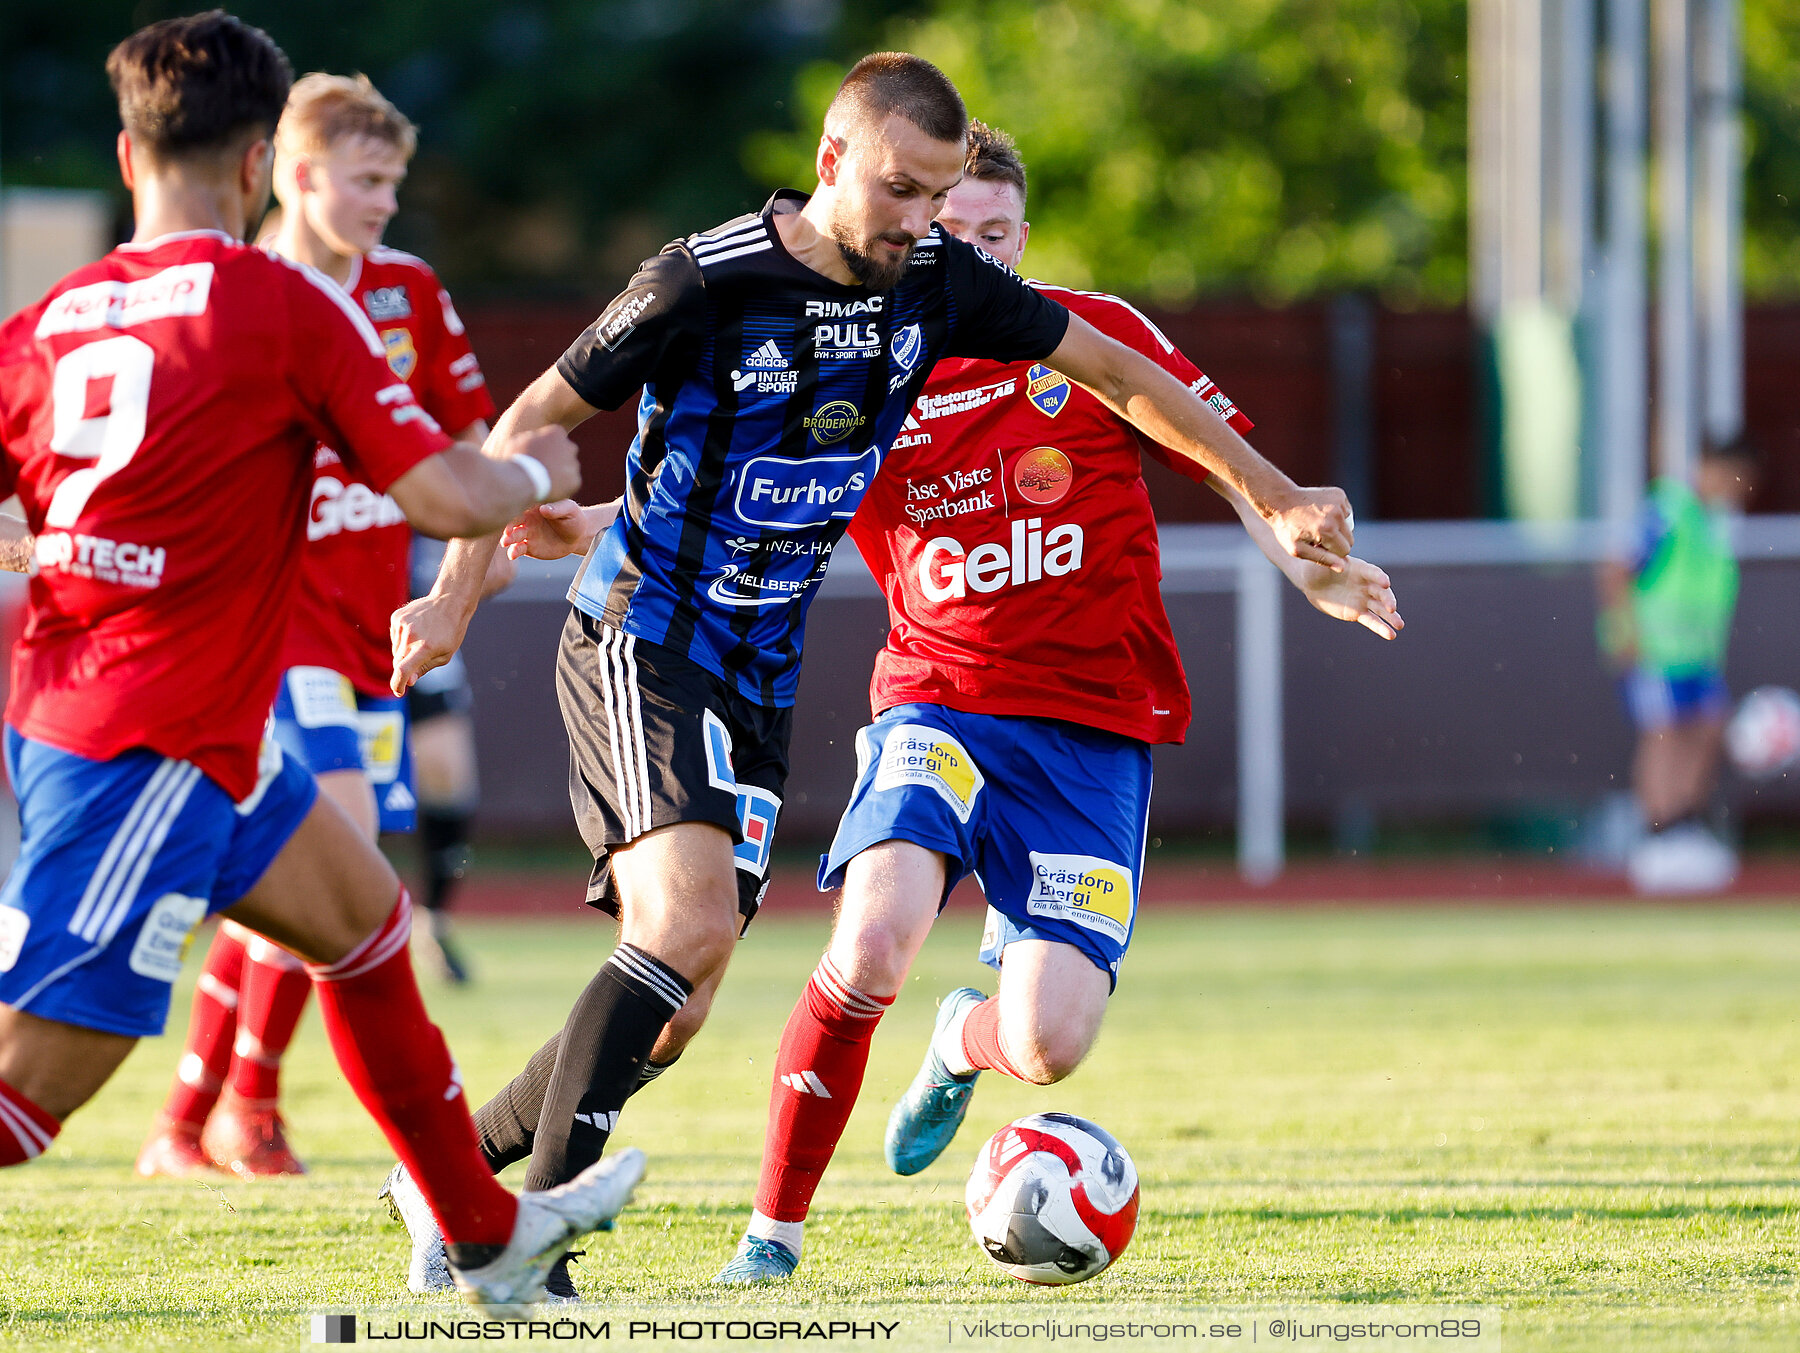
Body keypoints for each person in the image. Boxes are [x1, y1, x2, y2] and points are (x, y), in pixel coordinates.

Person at [382, 52, 1354, 1300]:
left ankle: (447, 1174)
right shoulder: (704, 277)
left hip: (760, 668)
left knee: (676, 1008)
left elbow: (1123, 373)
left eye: (940, 197)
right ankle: (518, 1246)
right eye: (903, 192)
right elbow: (523, 429)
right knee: (677, 927)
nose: (920, 224)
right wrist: (454, 597)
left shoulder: (938, 287)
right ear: (834, 160)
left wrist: (1279, 497)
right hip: (646, 630)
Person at [0, 12, 640, 1307]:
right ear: (257, 168)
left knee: (364, 924)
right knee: (28, 1093)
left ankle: (482, 1232)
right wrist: (534, 472)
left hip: (172, 731)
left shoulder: (46, 323)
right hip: (150, 751)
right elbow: (444, 490)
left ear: (131, 159)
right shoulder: (279, 304)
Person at [709, 121, 1402, 1283]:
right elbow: (736, 487)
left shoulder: (1097, 338)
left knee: (1046, 1045)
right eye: (949, 231)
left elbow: (1233, 467)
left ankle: (959, 1040)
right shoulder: (862, 358)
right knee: (874, 941)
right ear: (914, 222)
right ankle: (769, 1241)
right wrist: (576, 531)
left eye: (995, 237)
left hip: (1092, 727)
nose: (971, 257)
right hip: (937, 700)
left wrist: (1311, 572)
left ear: (1021, 240)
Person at [133, 71, 503, 1182]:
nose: (386, 201)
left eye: (394, 181)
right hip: (271, 628)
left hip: (370, 628)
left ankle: (194, 1119)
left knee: (296, 881)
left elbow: (471, 439)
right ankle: (250, 1112)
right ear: (295, 175)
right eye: (367, 180)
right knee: (337, 855)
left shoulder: (408, 291)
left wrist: (501, 525)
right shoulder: (240, 292)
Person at [1599, 437, 1758, 894]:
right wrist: (1624, 632)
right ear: (1707, 467)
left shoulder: (1715, 523)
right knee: (1663, 735)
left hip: (1697, 656)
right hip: (1656, 652)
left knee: (1708, 727)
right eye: (1729, 475)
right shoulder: (1668, 510)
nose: (1733, 487)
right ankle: (1658, 834)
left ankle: (1684, 824)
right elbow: (1616, 568)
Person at [406, 535, 509, 985]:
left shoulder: (425, 473)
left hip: (415, 630)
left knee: (448, 774)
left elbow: (501, 565)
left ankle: (434, 921)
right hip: (328, 635)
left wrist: (450, 590)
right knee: (337, 794)